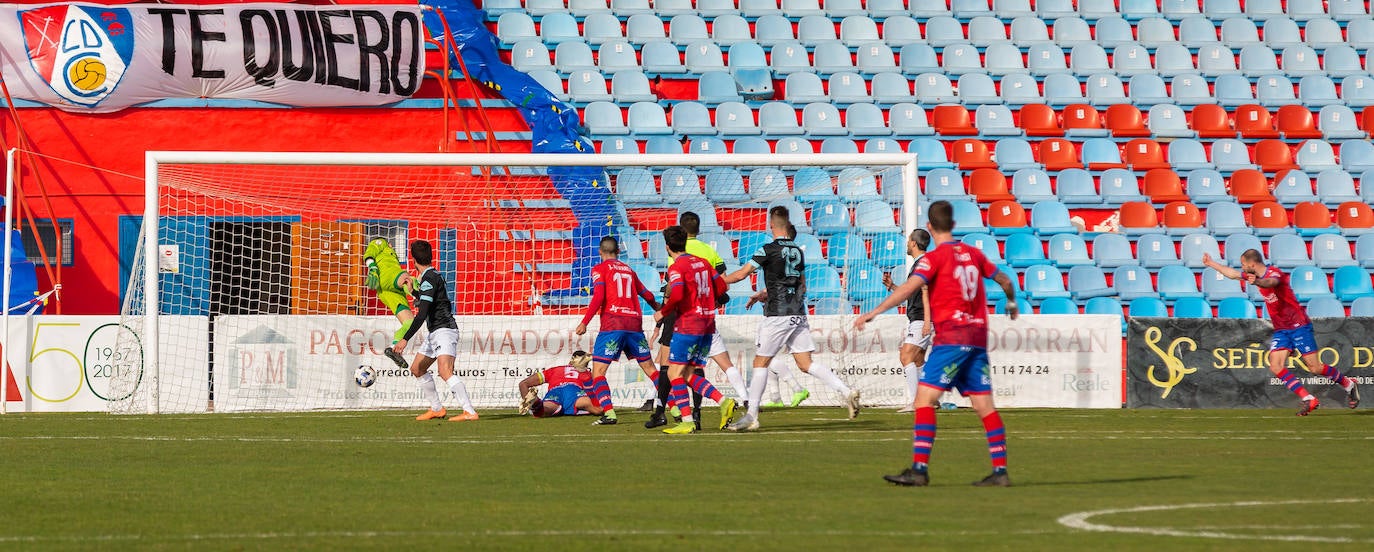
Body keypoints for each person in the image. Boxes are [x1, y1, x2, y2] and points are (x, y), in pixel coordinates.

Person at [855, 200, 1018, 487]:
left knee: (924, 401)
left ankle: (919, 469)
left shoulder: (934, 259)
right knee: (985, 407)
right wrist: (1012, 301)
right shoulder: (974, 253)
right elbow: (1003, 278)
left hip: (952, 338)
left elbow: (909, 288)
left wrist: (873, 312)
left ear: (930, 226)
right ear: (953, 225)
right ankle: (1000, 472)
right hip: (977, 338)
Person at [723, 206, 861, 431]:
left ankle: (751, 416)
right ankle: (846, 391)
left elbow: (741, 274)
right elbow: (801, 284)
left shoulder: (767, 249)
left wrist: (718, 283)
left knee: (760, 362)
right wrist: (767, 293)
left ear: (771, 225)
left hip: (777, 314)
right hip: (797, 312)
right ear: (787, 224)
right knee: (806, 364)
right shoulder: (798, 250)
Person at [1202, 251, 1360, 414]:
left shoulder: (1274, 273)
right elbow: (1234, 274)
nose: (1242, 267)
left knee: (1315, 367)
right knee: (1276, 366)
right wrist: (1211, 264)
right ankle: (1309, 399)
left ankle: (1349, 384)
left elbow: (1270, 283)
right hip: (1282, 329)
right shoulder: (1252, 275)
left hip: (1298, 324)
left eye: (1243, 264)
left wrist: (1257, 282)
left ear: (1252, 264)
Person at [645, 212, 747, 430]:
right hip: (707, 324)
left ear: (667, 247)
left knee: (673, 372)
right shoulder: (702, 262)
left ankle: (688, 422)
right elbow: (722, 287)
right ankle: (724, 401)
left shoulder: (676, 267)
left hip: (688, 324)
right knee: (688, 372)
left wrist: (663, 312)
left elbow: (679, 293)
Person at [575, 236, 662, 425]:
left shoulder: (600, 269)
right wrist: (658, 307)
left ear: (600, 252)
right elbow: (646, 293)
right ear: (618, 252)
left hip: (613, 324)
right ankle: (677, 408)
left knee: (598, 371)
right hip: (634, 324)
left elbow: (599, 296)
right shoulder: (629, 270)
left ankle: (610, 413)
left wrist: (585, 322)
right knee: (649, 369)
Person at [397, 240, 479, 422]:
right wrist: (413, 292)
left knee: (445, 371)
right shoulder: (431, 276)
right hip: (435, 331)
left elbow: (422, 313)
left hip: (444, 330)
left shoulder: (429, 278)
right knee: (417, 368)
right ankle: (437, 409)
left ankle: (469, 411)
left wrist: (405, 339)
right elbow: (428, 302)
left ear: (413, 260)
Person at [881, 229, 933, 413]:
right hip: (920, 317)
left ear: (913, 243)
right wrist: (893, 286)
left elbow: (926, 292)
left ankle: (916, 401)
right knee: (918, 360)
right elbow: (913, 292)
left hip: (921, 317)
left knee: (906, 356)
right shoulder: (921, 264)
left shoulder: (923, 265)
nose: (907, 243)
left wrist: (927, 321)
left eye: (909, 240)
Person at [364, 237, 415, 369]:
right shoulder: (382, 243)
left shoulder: (393, 256)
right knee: (407, 278)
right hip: (387, 276)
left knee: (410, 323)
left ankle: (393, 349)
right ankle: (418, 296)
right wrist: (373, 267)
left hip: (390, 292)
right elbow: (370, 251)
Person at [518, 351, 604, 418]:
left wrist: (525, 397)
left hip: (555, 391)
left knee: (544, 410)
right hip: (574, 391)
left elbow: (523, 383)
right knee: (599, 410)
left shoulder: (555, 370)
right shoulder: (586, 373)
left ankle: (536, 404)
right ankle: (536, 405)